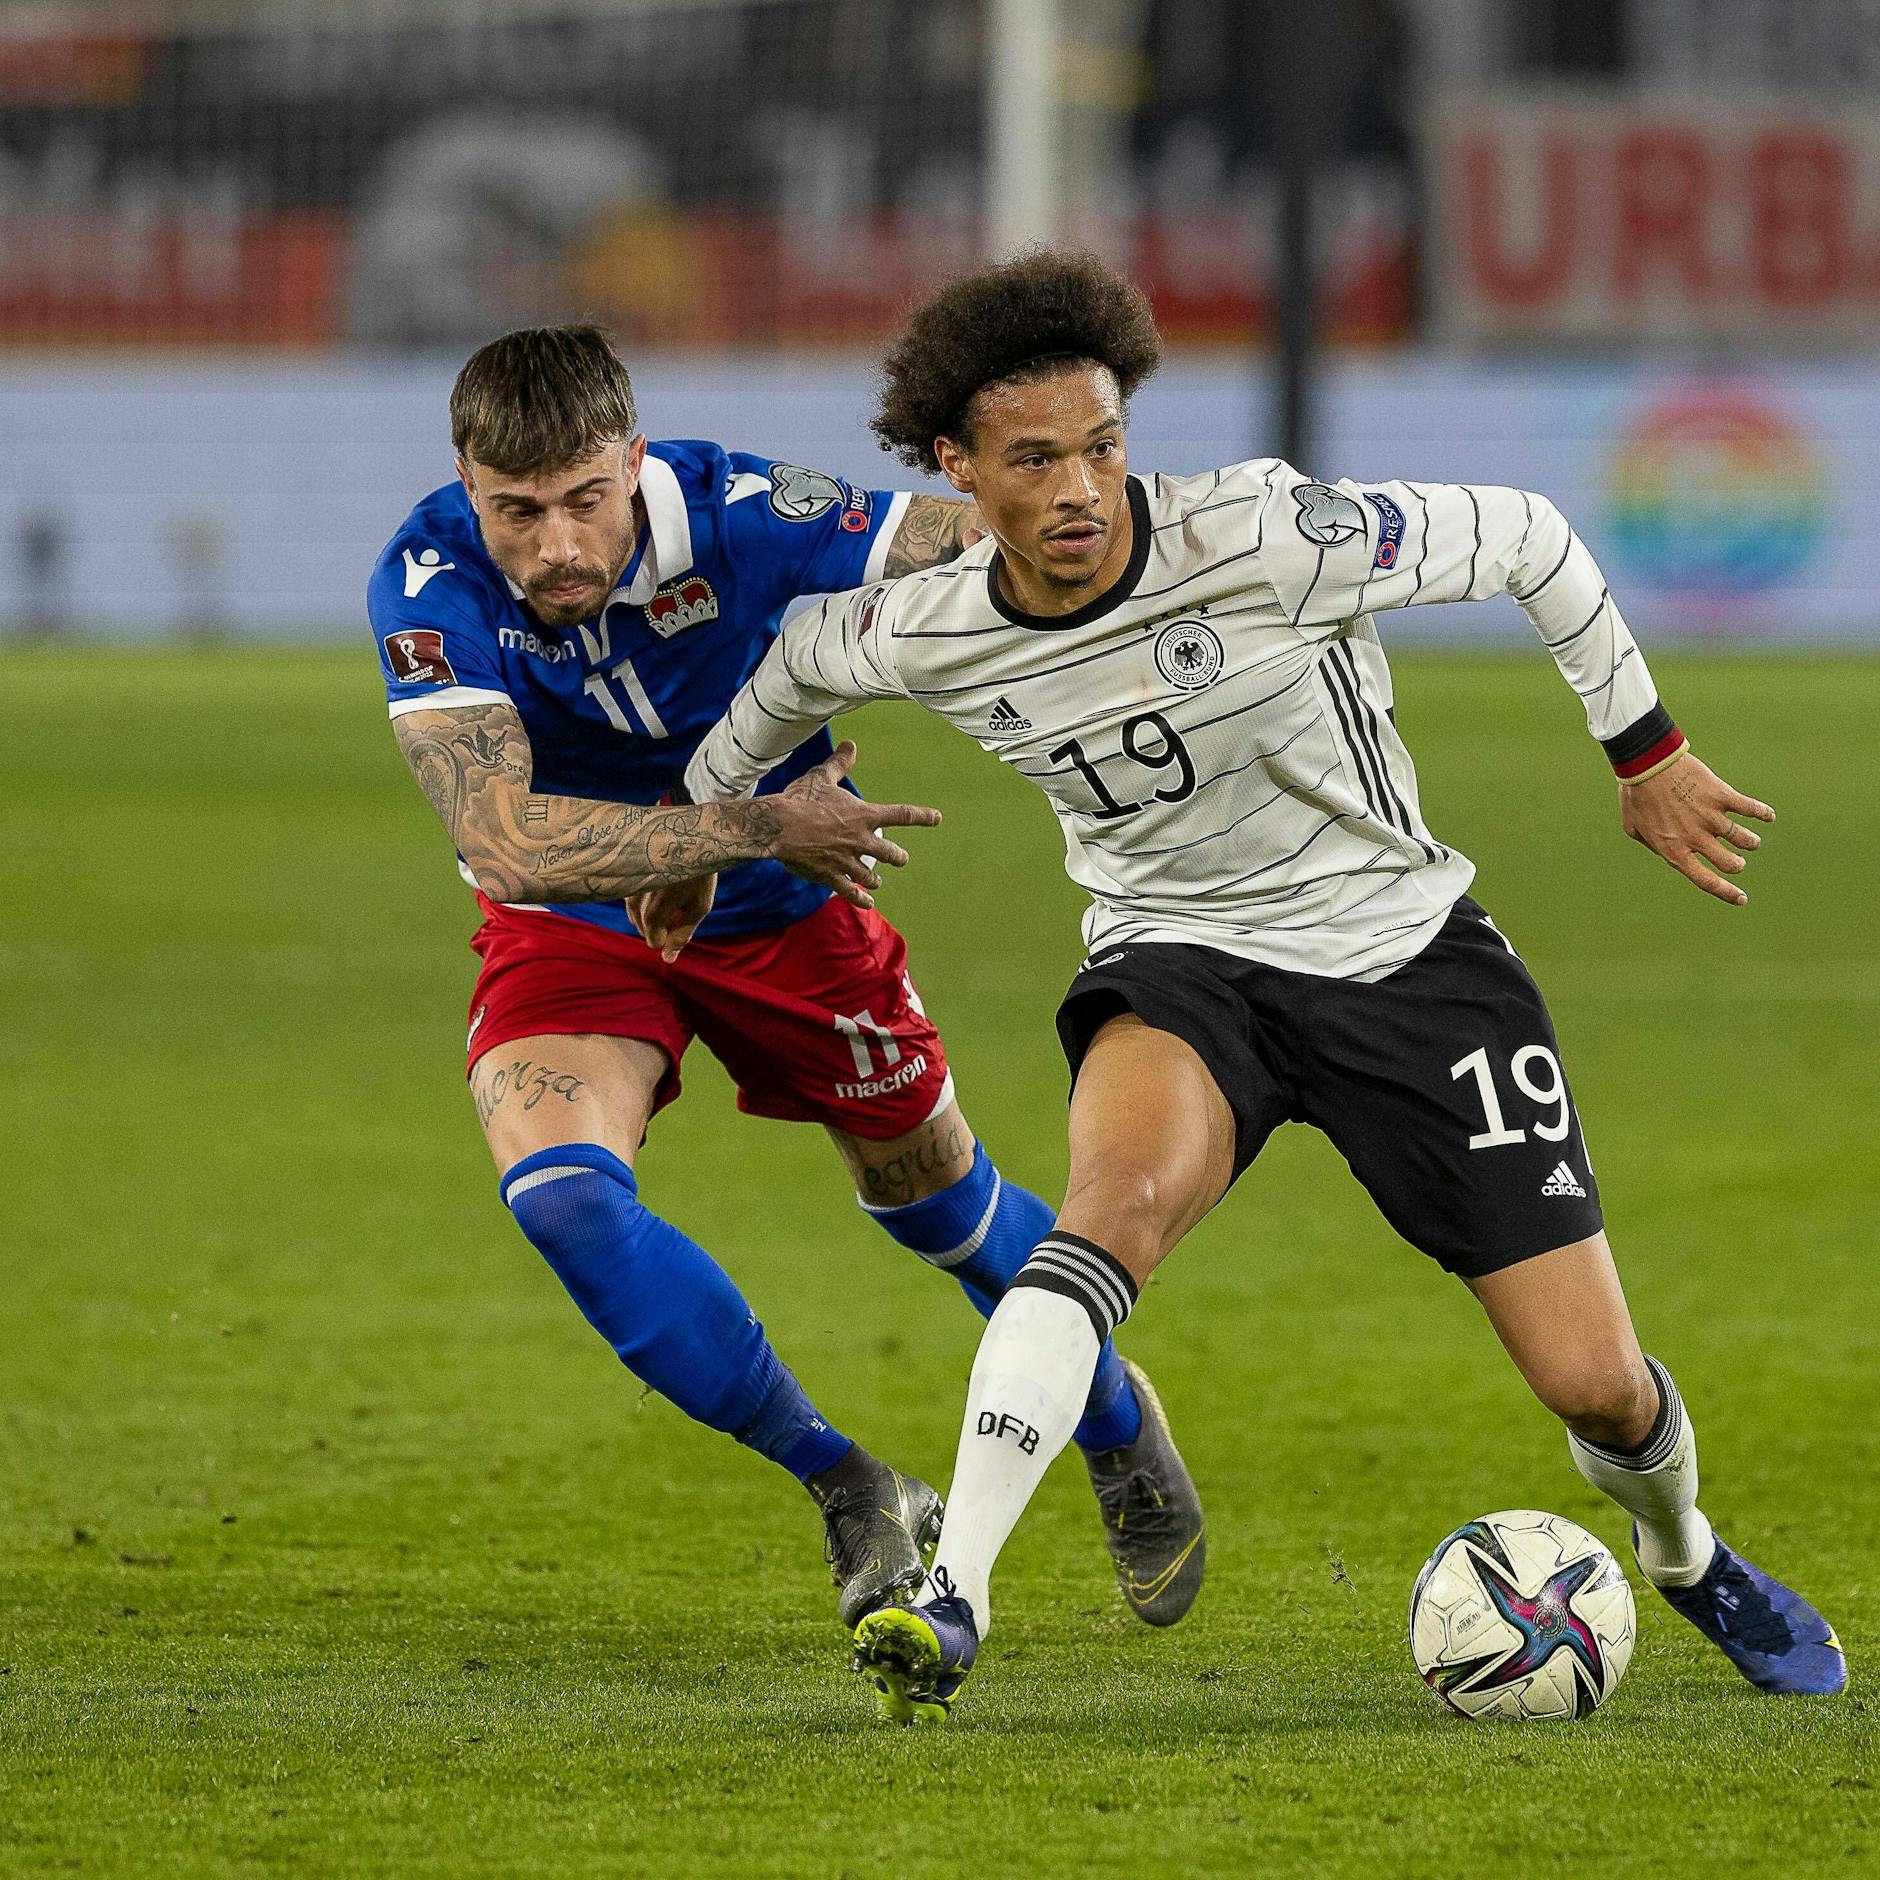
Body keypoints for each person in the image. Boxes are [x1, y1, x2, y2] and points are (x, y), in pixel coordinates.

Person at [684, 252, 1847, 1718]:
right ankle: (955, 1590)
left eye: (1102, 446)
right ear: (955, 469)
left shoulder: (1267, 533)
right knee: (1105, 1220)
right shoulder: (922, 626)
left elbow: (1535, 540)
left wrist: (1648, 751)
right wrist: (708, 842)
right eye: (1032, 460)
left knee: (1596, 1386)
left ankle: (1683, 1552)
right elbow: (771, 692)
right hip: (1183, 969)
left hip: (1407, 962)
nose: (1079, 490)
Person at [365, 323, 1205, 1631]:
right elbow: (504, 840)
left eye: (586, 500)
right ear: (469, 487)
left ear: (632, 462)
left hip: (792, 919)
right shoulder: (429, 578)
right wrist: (758, 819)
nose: (558, 548)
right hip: (579, 920)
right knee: (563, 1199)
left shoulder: (743, 514)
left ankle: (1110, 1422)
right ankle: (849, 1483)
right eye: (517, 512)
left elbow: (977, 536)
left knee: (938, 1207)